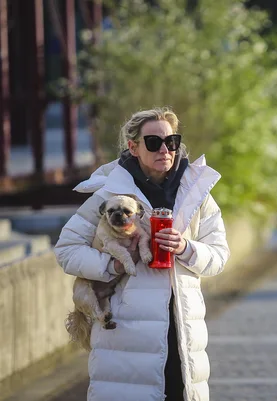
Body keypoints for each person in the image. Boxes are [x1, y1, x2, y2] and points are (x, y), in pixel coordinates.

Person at [55, 108, 230, 401]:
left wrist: (186, 247)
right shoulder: (110, 194)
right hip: (125, 333)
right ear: (133, 147)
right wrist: (112, 265)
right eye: (153, 142)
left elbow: (219, 255)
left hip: (183, 330)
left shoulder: (197, 194)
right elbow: (67, 249)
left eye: (171, 141)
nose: (165, 149)